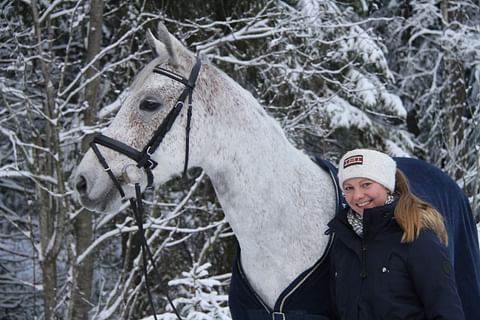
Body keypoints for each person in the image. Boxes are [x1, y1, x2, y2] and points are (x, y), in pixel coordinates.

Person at [327, 149, 465, 320]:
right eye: (349, 188)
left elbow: (447, 311)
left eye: (366, 184)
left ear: (386, 185)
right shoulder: (343, 241)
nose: (357, 195)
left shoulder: (416, 237)